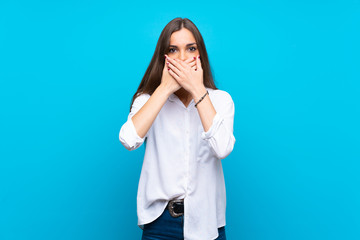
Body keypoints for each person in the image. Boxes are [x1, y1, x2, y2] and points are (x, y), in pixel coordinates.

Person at [119, 17, 235, 240]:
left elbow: (222, 148)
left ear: (200, 54)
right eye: (173, 50)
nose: (182, 58)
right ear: (164, 57)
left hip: (207, 222)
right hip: (160, 223)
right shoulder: (147, 101)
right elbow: (128, 139)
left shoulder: (221, 101)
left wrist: (197, 89)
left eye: (190, 48)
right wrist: (163, 89)